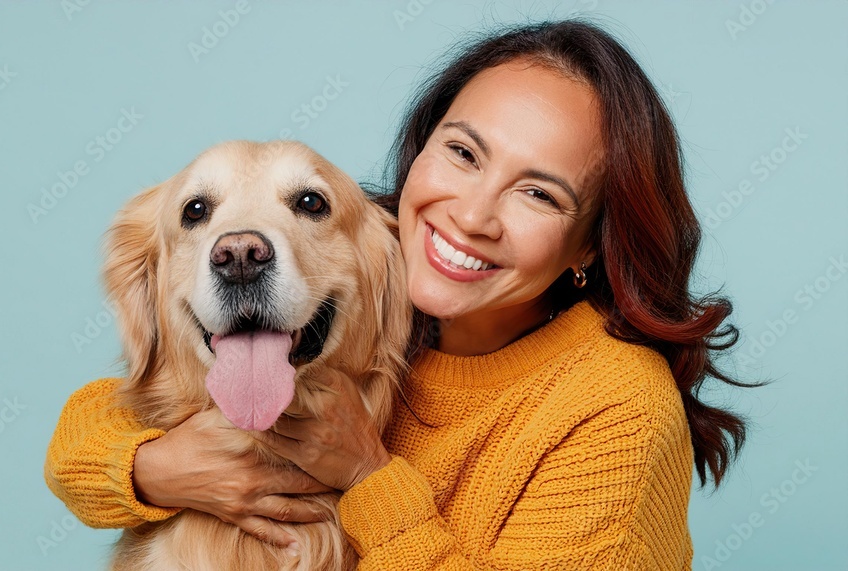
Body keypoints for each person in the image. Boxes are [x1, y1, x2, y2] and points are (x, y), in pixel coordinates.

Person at [45, 20, 753, 569]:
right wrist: (153, 468)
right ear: (421, 148)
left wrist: (368, 473)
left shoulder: (617, 407)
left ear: (590, 245)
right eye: (464, 153)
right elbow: (97, 417)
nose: (472, 216)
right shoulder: (382, 277)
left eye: (538, 192)